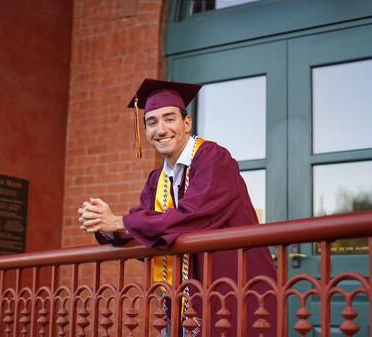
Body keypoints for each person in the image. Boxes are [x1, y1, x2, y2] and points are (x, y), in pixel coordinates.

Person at [78, 78, 277, 337]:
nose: (160, 129)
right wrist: (102, 225)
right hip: (183, 299)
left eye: (169, 118)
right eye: (151, 122)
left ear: (186, 124)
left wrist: (119, 221)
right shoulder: (156, 180)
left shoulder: (214, 160)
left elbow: (190, 218)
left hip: (233, 289)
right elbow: (144, 227)